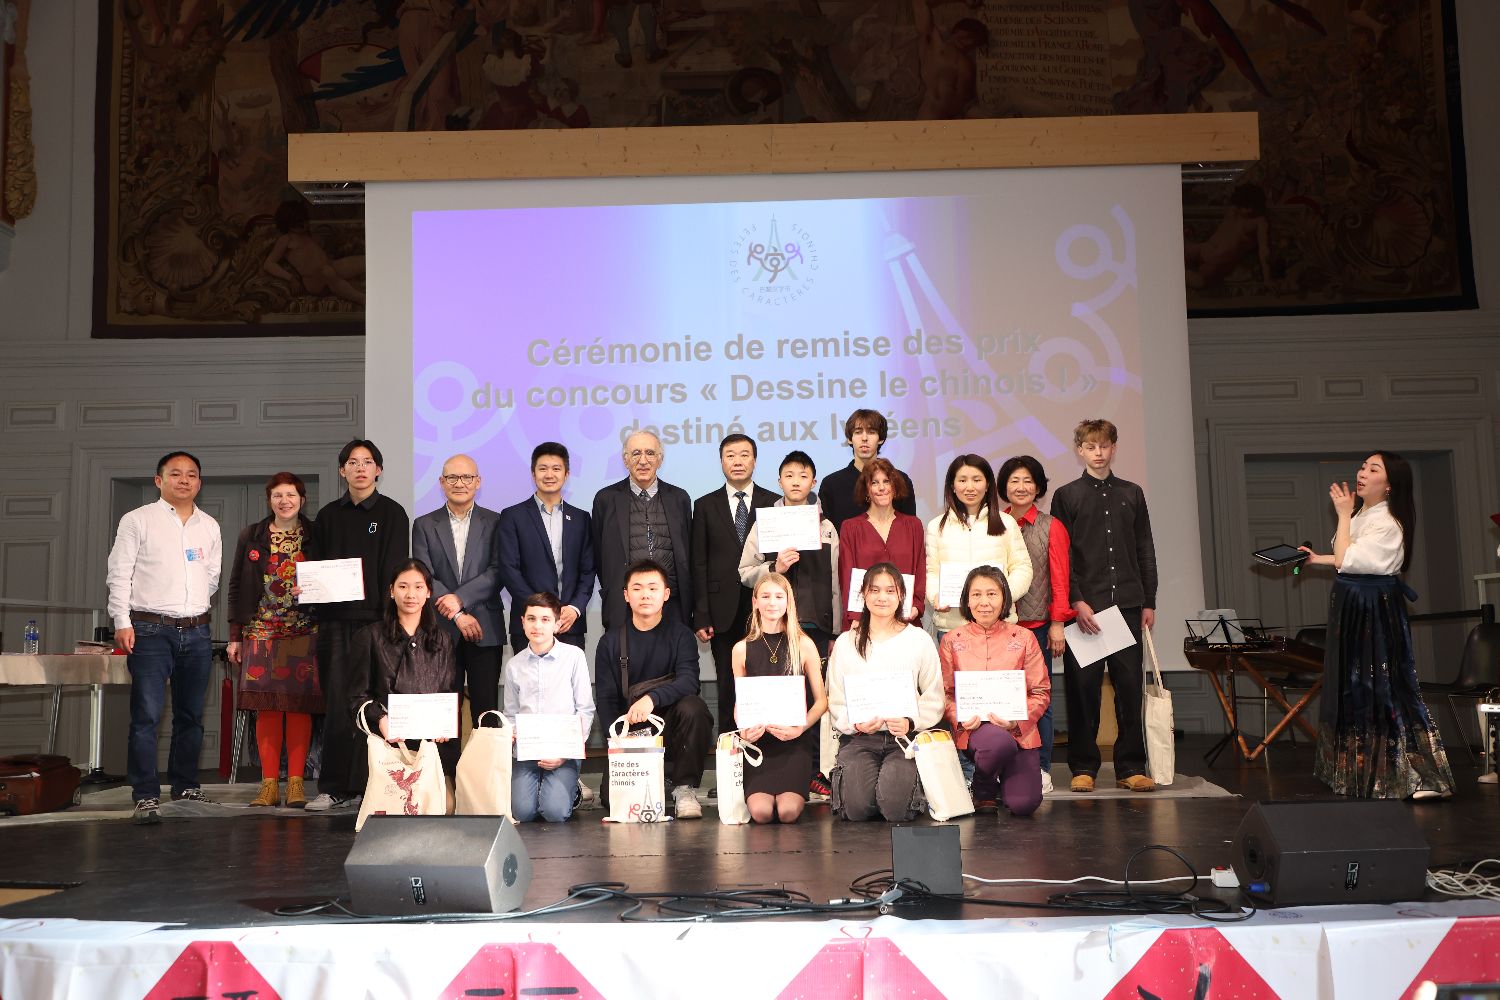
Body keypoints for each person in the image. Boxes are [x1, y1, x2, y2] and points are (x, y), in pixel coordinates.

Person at [1298, 452, 1454, 800]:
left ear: (1390, 484)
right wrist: (1316, 559)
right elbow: (1349, 559)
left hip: (1373, 608)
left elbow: (1347, 558)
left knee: (1382, 686)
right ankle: (1363, 774)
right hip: (1354, 604)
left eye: (1373, 469)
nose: (1363, 473)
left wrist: (1342, 515)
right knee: (1353, 687)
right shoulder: (1363, 514)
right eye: (1363, 467)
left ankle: (1420, 778)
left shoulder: (1388, 521)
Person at [106, 451, 222, 824]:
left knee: (191, 716)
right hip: (149, 630)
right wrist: (122, 621)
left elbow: (212, 577)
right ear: (159, 480)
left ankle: (185, 785)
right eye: (175, 474)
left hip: (198, 631)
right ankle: (145, 795)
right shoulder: (137, 520)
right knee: (147, 716)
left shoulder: (209, 526)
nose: (184, 480)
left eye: (191, 474)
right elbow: (119, 573)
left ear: (199, 482)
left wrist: (192, 608)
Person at [1049, 419, 1157, 793]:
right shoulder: (1067, 495)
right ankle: (1083, 766)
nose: (1098, 453)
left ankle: (1131, 767)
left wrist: (1149, 600)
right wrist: (1075, 600)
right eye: (1091, 446)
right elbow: (1061, 556)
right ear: (1079, 450)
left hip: (1127, 605)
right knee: (1084, 691)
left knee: (1129, 689)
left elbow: (1145, 548)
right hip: (1086, 610)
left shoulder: (1132, 493)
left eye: (1104, 445)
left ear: (1114, 447)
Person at [305, 439, 410, 812]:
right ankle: (334, 787)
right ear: (342, 470)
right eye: (352, 462)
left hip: (377, 625)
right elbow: (315, 567)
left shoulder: (393, 513)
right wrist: (311, 589)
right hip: (334, 625)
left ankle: (375, 786)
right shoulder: (328, 516)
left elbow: (394, 572)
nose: (360, 468)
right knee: (337, 704)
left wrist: (388, 622)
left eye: (367, 462)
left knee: (377, 704)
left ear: (378, 470)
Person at [738, 450, 842, 797]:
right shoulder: (765, 524)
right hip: (773, 629)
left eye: (803, 476)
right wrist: (775, 568)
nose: (796, 482)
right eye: (789, 476)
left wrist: (836, 629)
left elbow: (836, 582)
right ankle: (776, 771)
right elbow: (744, 573)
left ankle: (814, 771)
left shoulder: (826, 527)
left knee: (814, 698)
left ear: (814, 482)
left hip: (815, 627)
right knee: (777, 699)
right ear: (779, 481)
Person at [226, 472, 323, 809]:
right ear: (269, 500)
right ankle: (268, 784)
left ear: (302, 499)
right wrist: (235, 636)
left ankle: (296, 784)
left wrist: (313, 589)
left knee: (299, 709)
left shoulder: (316, 535)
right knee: (265, 708)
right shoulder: (251, 535)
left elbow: (330, 580)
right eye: (278, 495)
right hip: (259, 632)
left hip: (304, 631)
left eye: (291, 495)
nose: (285, 501)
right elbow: (236, 586)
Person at [594, 560, 714, 819]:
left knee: (694, 708)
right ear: (626, 595)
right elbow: (605, 699)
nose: (645, 595)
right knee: (611, 800)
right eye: (637, 588)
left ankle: (684, 788)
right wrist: (618, 741)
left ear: (666, 594)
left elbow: (689, 682)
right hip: (632, 731)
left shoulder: (681, 635)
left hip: (673, 728)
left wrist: (652, 698)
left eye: (652, 588)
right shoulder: (610, 642)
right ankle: (655, 777)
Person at [826, 564, 944, 822]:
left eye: (890, 591)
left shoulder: (919, 640)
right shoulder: (846, 642)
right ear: (863, 594)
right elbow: (835, 699)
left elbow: (934, 696)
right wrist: (855, 723)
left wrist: (911, 721)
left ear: (901, 594)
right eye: (875, 590)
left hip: (904, 739)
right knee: (856, 810)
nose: (882, 597)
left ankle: (896, 790)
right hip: (860, 739)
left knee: (895, 810)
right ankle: (874, 792)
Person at [939, 567, 1049, 817]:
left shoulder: (1024, 638)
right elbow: (945, 694)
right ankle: (984, 787)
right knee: (997, 743)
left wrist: (1015, 722)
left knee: (1024, 804)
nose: (984, 602)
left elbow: (1040, 691)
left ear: (1004, 598)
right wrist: (960, 717)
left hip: (1018, 731)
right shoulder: (951, 640)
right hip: (976, 729)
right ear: (967, 599)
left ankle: (995, 778)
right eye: (976, 594)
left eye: (992, 594)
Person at [348, 559, 463, 795]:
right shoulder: (369, 636)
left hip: (432, 745)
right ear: (391, 591)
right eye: (403, 586)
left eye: (418, 587)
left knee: (444, 806)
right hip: (386, 744)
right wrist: (381, 719)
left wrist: (445, 724)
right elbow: (356, 697)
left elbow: (450, 692)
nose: (411, 594)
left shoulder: (443, 639)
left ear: (428, 592)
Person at [692, 433, 779, 735]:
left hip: (765, 607)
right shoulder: (705, 505)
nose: (738, 461)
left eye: (744, 455)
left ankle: (768, 749)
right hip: (721, 611)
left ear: (754, 461)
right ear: (721, 461)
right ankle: (731, 752)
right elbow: (699, 564)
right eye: (730, 455)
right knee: (729, 685)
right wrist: (701, 615)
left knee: (766, 680)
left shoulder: (773, 502)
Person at [998, 455, 1075, 796]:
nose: (1021, 487)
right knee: (1002, 699)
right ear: (1004, 486)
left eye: (1028, 481)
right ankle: (1005, 766)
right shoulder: (994, 523)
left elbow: (1060, 578)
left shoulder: (1051, 526)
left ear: (1039, 487)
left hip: (1038, 626)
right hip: (999, 628)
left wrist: (1057, 623)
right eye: (1014, 480)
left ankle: (1041, 768)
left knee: (1039, 700)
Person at [412, 454, 505, 727]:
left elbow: (499, 570)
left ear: (478, 482)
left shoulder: (497, 522)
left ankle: (484, 758)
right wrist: (457, 614)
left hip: (485, 627)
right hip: (440, 629)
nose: (460, 483)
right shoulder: (424, 524)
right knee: (442, 712)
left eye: (467, 477)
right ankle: (446, 758)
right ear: (442, 482)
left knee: (486, 711)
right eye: (452, 477)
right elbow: (424, 575)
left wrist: (459, 599)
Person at [732, 573, 828, 823]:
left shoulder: (804, 645)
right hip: (759, 743)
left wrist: (800, 728)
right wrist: (744, 730)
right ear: (755, 602)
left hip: (794, 741)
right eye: (765, 596)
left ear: (788, 602)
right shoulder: (741, 649)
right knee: (761, 813)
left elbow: (821, 702)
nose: (772, 603)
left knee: (788, 812)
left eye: (778, 596)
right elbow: (740, 703)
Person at [503, 593, 595, 823]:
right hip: (527, 752)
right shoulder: (514, 665)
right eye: (531, 619)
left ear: (557, 624)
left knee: (554, 813)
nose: (537, 626)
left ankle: (571, 789)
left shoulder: (574, 657)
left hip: (562, 751)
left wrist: (564, 753)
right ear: (522, 622)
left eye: (545, 620)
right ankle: (544, 789)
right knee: (522, 813)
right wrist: (512, 733)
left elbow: (585, 709)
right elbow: (510, 713)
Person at [498, 443, 595, 652]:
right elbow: (509, 570)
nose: (549, 474)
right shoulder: (513, 516)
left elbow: (588, 571)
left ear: (566, 474)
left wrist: (575, 608)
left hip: (569, 624)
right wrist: (541, 611)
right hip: (530, 624)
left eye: (556, 468)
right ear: (533, 474)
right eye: (543, 468)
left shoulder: (581, 518)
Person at [591, 430, 693, 631]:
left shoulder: (679, 498)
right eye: (636, 453)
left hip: (672, 604)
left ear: (660, 460)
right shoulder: (606, 499)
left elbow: (688, 552)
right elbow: (599, 556)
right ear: (625, 460)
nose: (643, 460)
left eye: (650, 453)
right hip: (624, 605)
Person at [925, 454, 1031, 638]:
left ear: (987, 484)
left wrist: (1003, 596)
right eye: (962, 480)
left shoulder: (1006, 522)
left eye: (977, 480)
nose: (970, 487)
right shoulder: (936, 526)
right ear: (952, 485)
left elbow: (1022, 568)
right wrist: (935, 595)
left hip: (999, 625)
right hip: (952, 627)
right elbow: (931, 572)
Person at [838, 458, 927, 630]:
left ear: (895, 486)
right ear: (866, 490)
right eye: (874, 482)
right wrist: (856, 616)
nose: (881, 487)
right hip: (864, 621)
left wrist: (916, 605)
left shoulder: (913, 525)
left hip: (905, 618)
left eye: (886, 481)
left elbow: (920, 569)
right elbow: (846, 576)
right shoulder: (850, 528)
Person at [818, 409, 918, 532]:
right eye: (858, 432)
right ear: (850, 439)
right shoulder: (831, 484)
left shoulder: (900, 479)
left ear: (880, 439)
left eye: (871, 432)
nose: (864, 438)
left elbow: (910, 529)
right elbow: (827, 534)